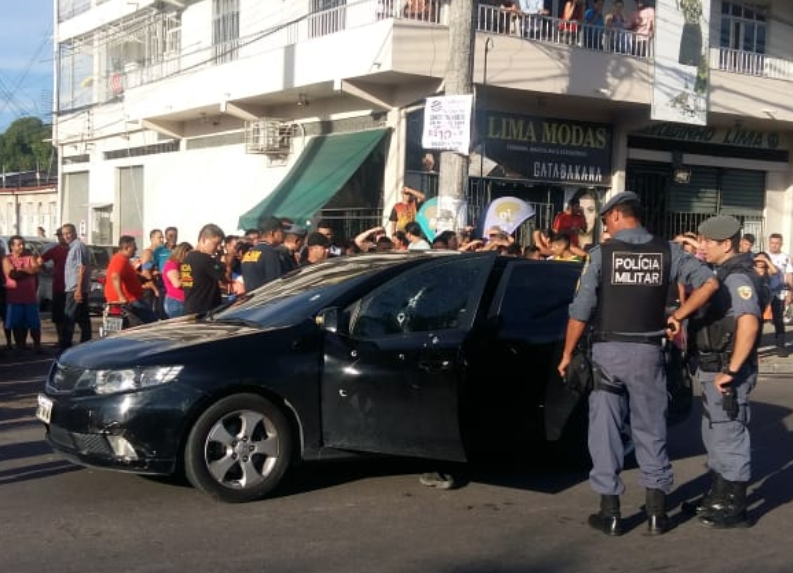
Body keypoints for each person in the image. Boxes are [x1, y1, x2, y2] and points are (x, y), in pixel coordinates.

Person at [557, 191, 719, 537]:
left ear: (615, 216)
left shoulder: (602, 255)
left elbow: (580, 311)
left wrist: (568, 354)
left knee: (604, 430)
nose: (605, 228)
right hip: (648, 352)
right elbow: (710, 281)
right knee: (651, 429)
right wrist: (680, 314)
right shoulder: (667, 251)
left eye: (604, 221)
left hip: (608, 353)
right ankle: (658, 514)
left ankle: (610, 513)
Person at [682, 215, 765, 529]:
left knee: (730, 434)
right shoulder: (723, 273)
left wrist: (733, 369)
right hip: (712, 366)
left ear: (726, 244)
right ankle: (717, 495)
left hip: (726, 371)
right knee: (715, 433)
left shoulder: (738, 279)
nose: (701, 246)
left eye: (707, 241)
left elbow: (749, 323)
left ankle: (735, 505)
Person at [2, 236, 43, 353]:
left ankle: (37, 346)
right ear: (12, 246)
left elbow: (36, 270)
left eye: (23, 244)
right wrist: (28, 269)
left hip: (30, 297)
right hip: (14, 298)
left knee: (34, 324)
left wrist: (21, 270)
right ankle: (20, 346)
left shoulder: (29, 256)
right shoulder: (7, 259)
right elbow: (12, 275)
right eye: (19, 245)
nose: (22, 246)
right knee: (17, 325)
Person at [105, 236, 159, 326]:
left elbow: (125, 276)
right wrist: (121, 296)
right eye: (134, 247)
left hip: (128, 299)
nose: (136, 249)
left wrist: (142, 278)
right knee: (152, 322)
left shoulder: (123, 260)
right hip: (130, 300)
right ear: (126, 248)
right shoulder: (120, 259)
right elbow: (115, 276)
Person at [182, 225, 226, 315]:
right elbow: (224, 276)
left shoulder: (188, 258)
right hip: (204, 313)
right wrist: (223, 257)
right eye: (216, 243)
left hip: (190, 309)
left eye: (220, 244)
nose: (219, 248)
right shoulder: (204, 259)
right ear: (203, 240)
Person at [61, 223, 92, 350]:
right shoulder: (72, 247)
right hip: (74, 288)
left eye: (69, 233)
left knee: (69, 318)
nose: (66, 236)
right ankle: (86, 344)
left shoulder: (78, 246)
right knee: (83, 318)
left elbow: (82, 267)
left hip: (75, 289)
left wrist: (78, 289)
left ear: (75, 232)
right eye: (64, 234)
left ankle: (65, 346)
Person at [241, 216, 285, 292]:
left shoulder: (249, 253)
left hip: (253, 300)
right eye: (281, 231)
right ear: (273, 233)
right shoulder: (269, 252)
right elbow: (275, 283)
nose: (283, 234)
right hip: (267, 299)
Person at [42, 228, 69, 348]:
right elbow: (39, 261)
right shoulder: (54, 250)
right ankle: (61, 340)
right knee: (58, 317)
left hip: (72, 288)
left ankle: (67, 340)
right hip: (58, 287)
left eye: (62, 235)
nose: (61, 238)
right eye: (59, 236)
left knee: (72, 316)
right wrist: (48, 270)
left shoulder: (75, 249)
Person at [766, 233, 792, 356]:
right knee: (759, 319)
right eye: (772, 242)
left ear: (781, 244)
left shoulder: (785, 258)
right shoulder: (763, 256)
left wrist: (790, 293)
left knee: (778, 320)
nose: (774, 245)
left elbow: (789, 275)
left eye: (777, 243)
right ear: (769, 243)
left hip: (779, 293)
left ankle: (780, 347)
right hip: (764, 293)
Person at [162, 242, 193, 318]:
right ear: (183, 253)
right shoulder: (172, 265)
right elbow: (177, 284)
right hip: (176, 301)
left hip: (183, 300)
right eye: (188, 255)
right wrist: (194, 278)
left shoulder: (182, 265)